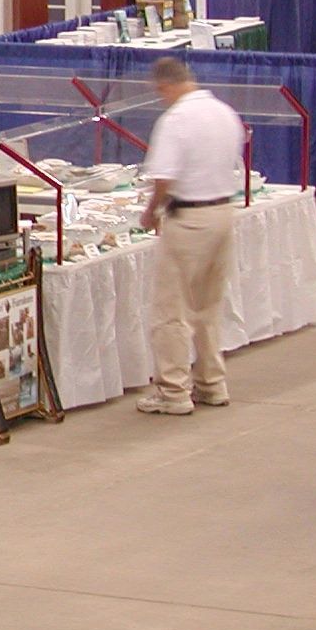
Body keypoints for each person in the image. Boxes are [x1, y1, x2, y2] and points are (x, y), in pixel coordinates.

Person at [137, 57, 245, 416]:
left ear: (166, 86)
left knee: (171, 310)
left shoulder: (176, 120)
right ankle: (212, 383)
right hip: (222, 213)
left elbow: (164, 176)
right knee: (208, 307)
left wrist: (152, 210)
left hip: (189, 219)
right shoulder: (224, 112)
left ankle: (172, 391)